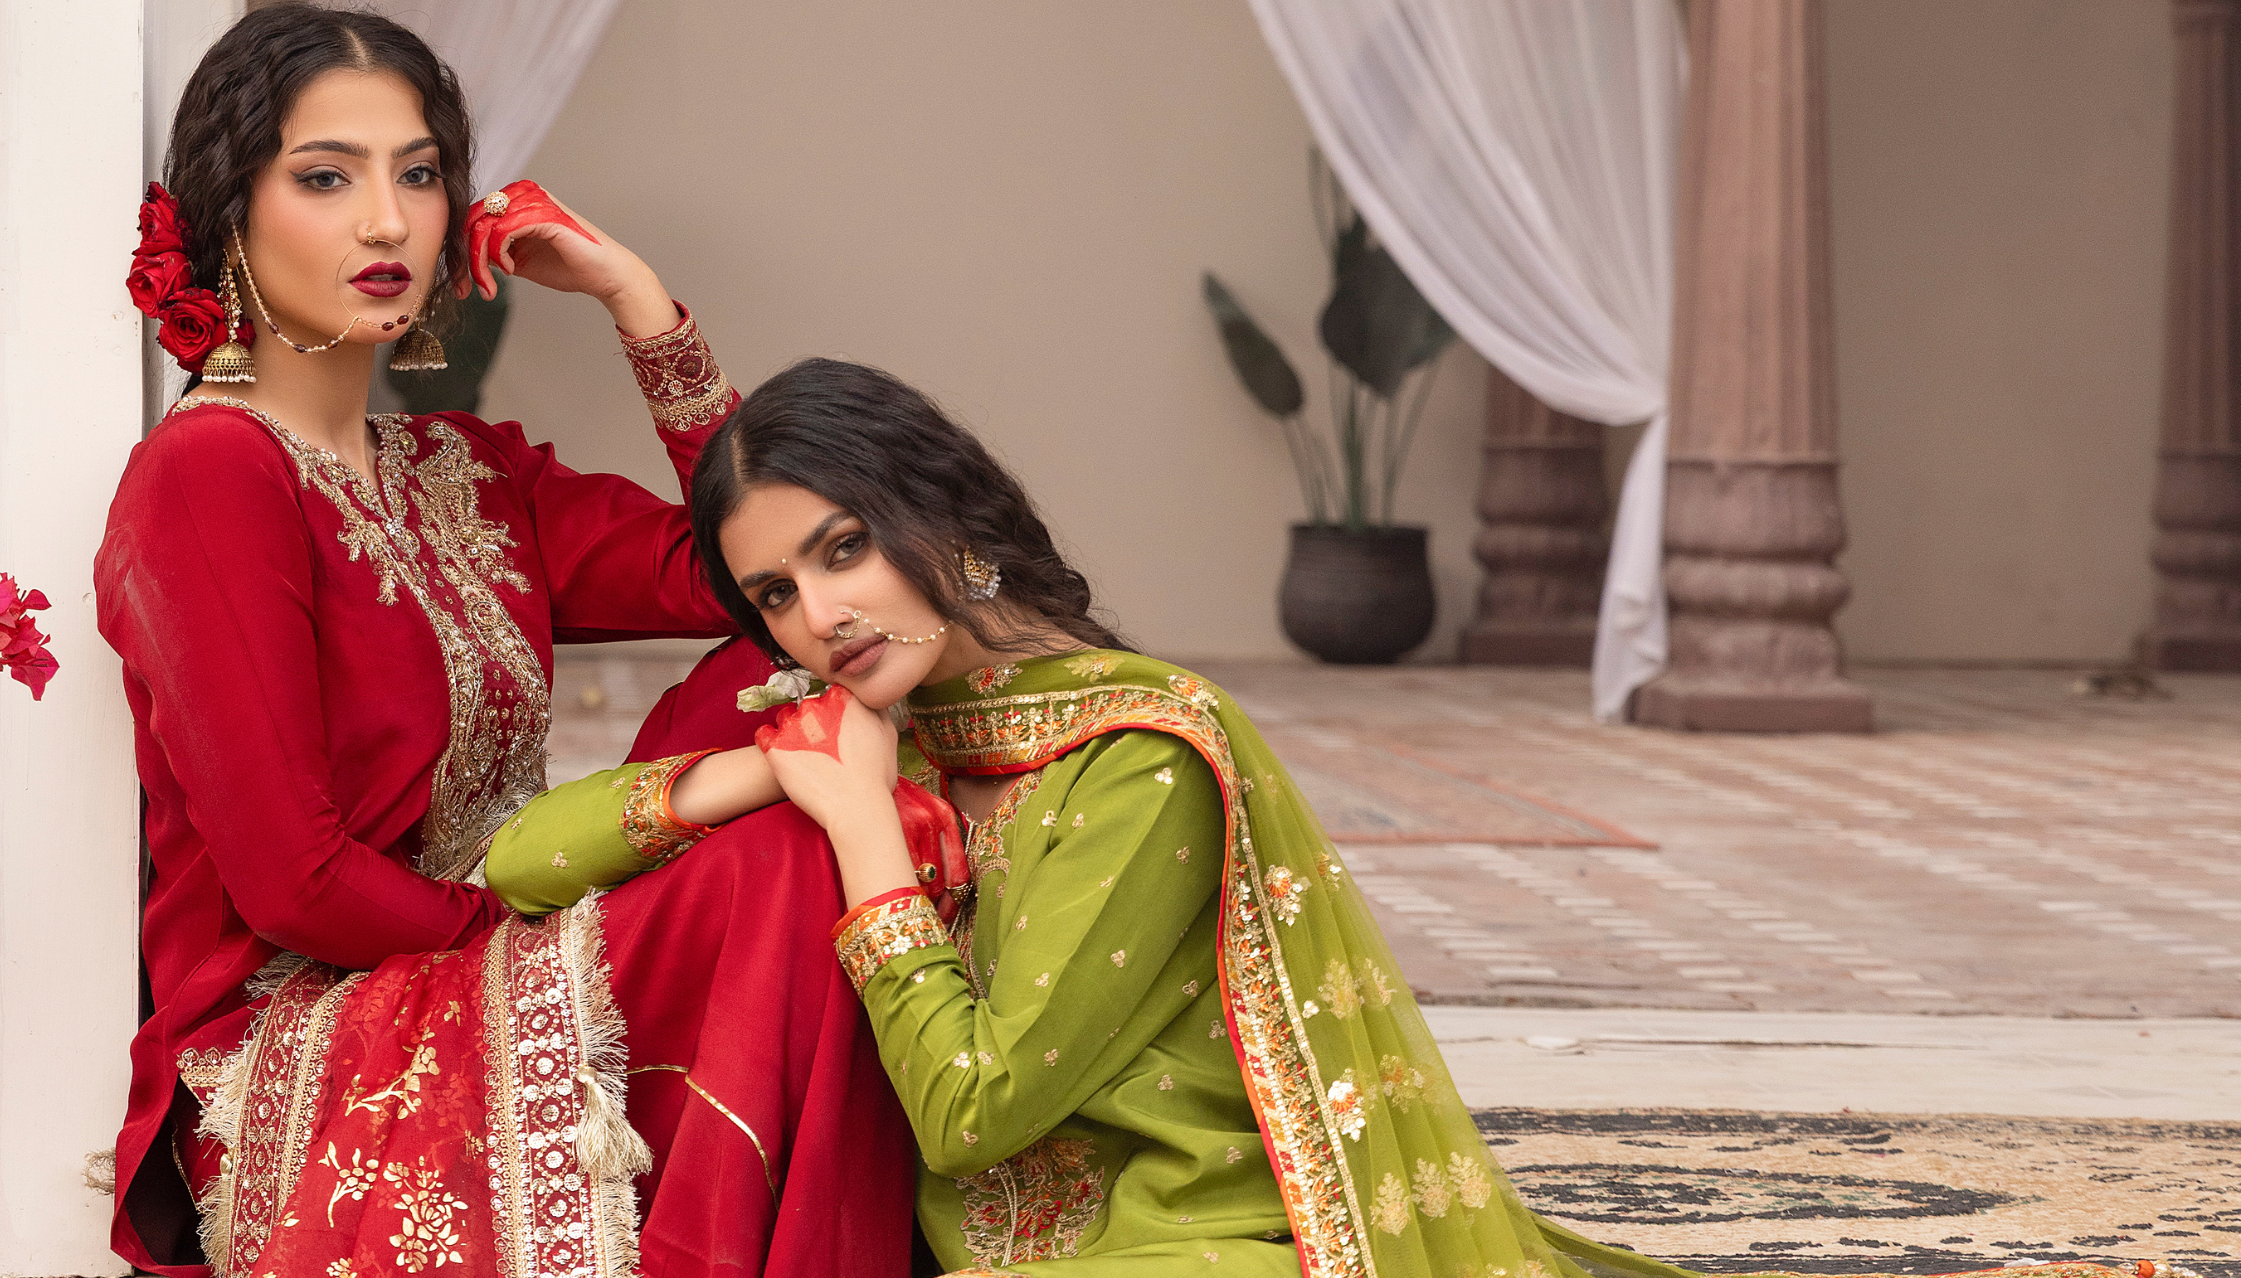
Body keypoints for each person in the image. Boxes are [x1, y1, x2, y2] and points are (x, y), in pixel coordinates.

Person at [500, 356, 2168, 1278]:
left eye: (845, 549)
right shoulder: (875, 730)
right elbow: (520, 859)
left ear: (945, 515)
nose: (817, 616)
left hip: (1192, 1241)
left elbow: (973, 1115)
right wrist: (750, 772)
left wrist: (862, 847)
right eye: (775, 594)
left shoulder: (1137, 753)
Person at [97, 4, 909, 1278]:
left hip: (508, 940)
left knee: (796, 667)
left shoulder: (465, 467)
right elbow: (289, 879)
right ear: (230, 211)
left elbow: (757, 587)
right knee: (771, 870)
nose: (386, 221)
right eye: (326, 177)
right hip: (310, 1020)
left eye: (418, 175)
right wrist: (545, 924)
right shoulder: (208, 474)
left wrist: (637, 305)